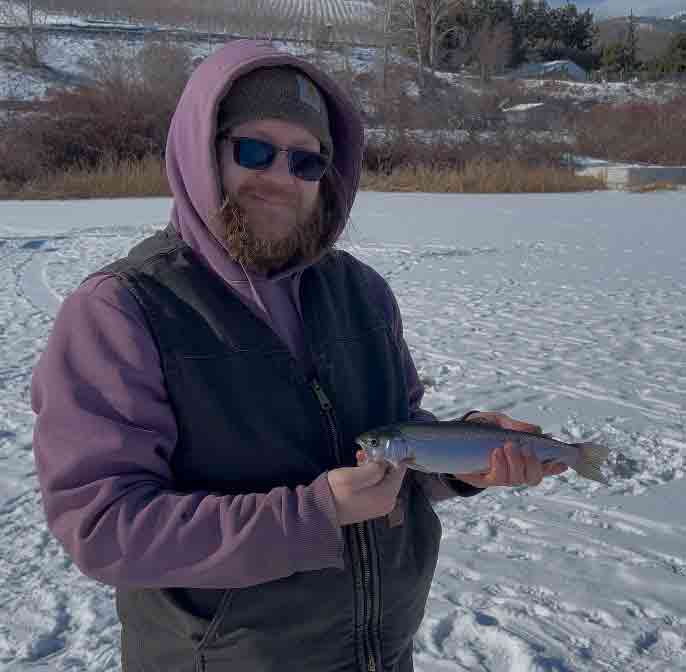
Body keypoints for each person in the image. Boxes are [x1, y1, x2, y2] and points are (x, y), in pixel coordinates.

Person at [30, 40, 567, 672]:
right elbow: (105, 527)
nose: (281, 177)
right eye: (254, 150)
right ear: (203, 152)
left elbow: (390, 457)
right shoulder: (123, 311)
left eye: (307, 162)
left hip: (378, 656)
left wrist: (461, 461)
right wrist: (314, 515)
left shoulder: (361, 293)